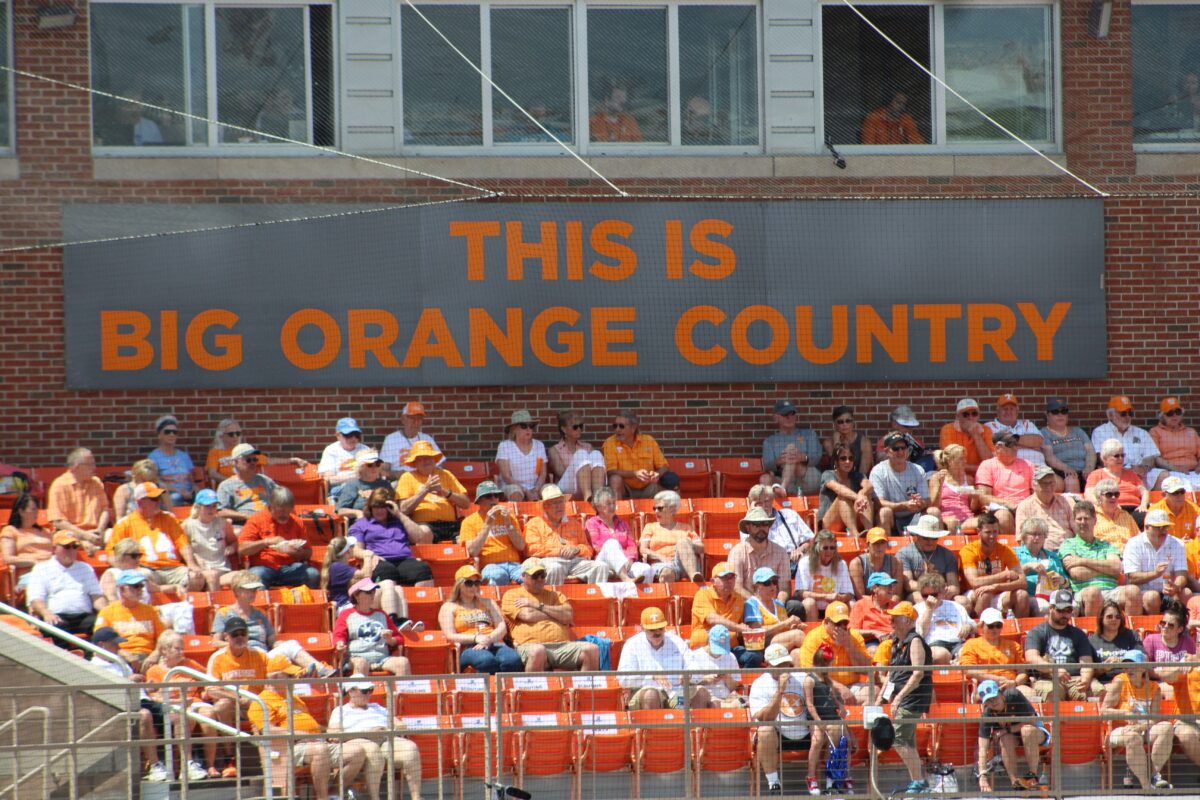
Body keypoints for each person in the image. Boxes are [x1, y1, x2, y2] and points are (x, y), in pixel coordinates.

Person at [249, 654, 354, 800]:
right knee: (320, 750)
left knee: (357, 751)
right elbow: (266, 729)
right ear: (275, 678)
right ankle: (322, 798)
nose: (294, 679)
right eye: (290, 675)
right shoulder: (260, 701)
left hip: (315, 742)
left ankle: (334, 794)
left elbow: (309, 722)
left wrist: (327, 731)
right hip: (288, 747)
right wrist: (297, 733)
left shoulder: (294, 697)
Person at [144, 630, 223, 780]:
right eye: (177, 648)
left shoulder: (190, 665)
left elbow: (209, 679)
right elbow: (153, 697)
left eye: (182, 648)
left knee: (209, 713)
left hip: (194, 702)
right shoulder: (154, 671)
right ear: (164, 650)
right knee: (183, 716)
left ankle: (210, 764)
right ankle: (186, 766)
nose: (182, 652)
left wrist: (206, 691)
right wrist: (175, 702)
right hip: (173, 707)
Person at [327, 679, 424, 800]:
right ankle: (374, 797)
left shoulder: (377, 707)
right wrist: (367, 733)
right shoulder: (340, 711)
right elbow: (333, 735)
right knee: (373, 751)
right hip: (358, 739)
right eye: (364, 691)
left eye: (370, 690)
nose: (368, 694)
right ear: (351, 691)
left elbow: (400, 725)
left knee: (410, 748)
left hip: (384, 738)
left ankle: (416, 797)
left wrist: (388, 729)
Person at [500, 557, 600, 671]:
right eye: (535, 575)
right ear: (523, 576)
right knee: (538, 651)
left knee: (592, 649)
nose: (539, 579)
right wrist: (557, 615)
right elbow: (527, 615)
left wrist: (538, 606)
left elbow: (567, 615)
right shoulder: (512, 595)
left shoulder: (555, 595)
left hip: (562, 646)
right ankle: (532, 689)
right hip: (529, 645)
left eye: (542, 575)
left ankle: (584, 689)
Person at [108, 482, 204, 591]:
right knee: (139, 578)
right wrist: (127, 570)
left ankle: (185, 605)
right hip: (145, 569)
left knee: (196, 578)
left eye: (159, 498)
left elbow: (183, 544)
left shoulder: (169, 518)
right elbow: (112, 554)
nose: (159, 501)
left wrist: (191, 564)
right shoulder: (124, 524)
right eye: (154, 499)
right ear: (140, 503)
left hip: (173, 568)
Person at [1101, 650, 1175, 790]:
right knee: (1133, 737)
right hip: (1121, 729)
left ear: (1143, 668)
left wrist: (1141, 727)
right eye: (1127, 666)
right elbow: (1104, 711)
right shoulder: (1120, 681)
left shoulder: (1154, 688)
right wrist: (1125, 714)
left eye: (1133, 665)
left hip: (1144, 728)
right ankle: (1146, 785)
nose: (1129, 669)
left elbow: (1154, 719)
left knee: (1166, 727)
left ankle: (1155, 776)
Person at [205, 615, 268, 776]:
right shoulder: (217, 658)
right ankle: (229, 758)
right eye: (235, 634)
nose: (240, 637)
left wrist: (256, 699)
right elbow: (211, 690)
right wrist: (238, 698)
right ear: (226, 637)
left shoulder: (259, 655)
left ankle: (270, 760)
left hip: (256, 704)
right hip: (233, 706)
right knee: (222, 705)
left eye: (243, 633)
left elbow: (271, 682)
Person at [881, 601, 933, 795]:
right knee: (907, 741)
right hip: (901, 698)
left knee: (899, 738)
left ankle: (919, 782)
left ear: (907, 620)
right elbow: (891, 674)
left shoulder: (915, 641)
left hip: (913, 698)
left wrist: (898, 698)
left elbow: (918, 674)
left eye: (895, 618)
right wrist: (881, 697)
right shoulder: (896, 642)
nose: (890, 620)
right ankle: (918, 783)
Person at [750, 642, 810, 795]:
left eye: (786, 663)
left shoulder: (803, 678)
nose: (784, 668)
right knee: (765, 730)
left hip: (806, 730)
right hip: (779, 734)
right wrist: (780, 690)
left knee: (831, 727)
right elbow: (764, 718)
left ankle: (831, 782)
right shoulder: (759, 684)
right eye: (779, 665)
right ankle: (773, 782)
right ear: (768, 666)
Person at [438, 565, 521, 674]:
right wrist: (476, 638)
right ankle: (487, 690)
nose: (474, 587)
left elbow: (502, 627)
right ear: (459, 585)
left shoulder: (489, 603)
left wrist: (489, 639)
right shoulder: (449, 607)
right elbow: (450, 635)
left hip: (494, 642)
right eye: (469, 583)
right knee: (486, 660)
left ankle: (505, 689)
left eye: (477, 583)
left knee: (512, 659)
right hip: (469, 646)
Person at [26, 532, 105, 643]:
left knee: (103, 626)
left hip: (83, 616)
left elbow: (96, 596)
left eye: (75, 547)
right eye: (66, 547)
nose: (71, 551)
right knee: (56, 626)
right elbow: (36, 599)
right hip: (56, 616)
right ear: (54, 549)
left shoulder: (85, 568)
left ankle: (92, 659)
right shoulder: (41, 569)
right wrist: (46, 613)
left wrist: (106, 612)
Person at [1059, 500, 1134, 616]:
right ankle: (1093, 633)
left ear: (1095, 520)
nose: (1083, 522)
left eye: (1087, 518)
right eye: (1079, 519)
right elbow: (1077, 573)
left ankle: (1130, 633)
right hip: (1083, 592)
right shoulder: (1068, 544)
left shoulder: (1106, 545)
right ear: (1074, 521)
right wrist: (1105, 569)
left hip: (1111, 590)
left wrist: (1082, 561)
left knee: (1133, 591)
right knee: (1093, 592)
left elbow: (1116, 568)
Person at [349, 487, 434, 590]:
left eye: (383, 507)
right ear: (370, 507)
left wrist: (399, 514)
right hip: (381, 561)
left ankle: (421, 604)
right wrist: (368, 554)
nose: (379, 510)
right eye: (375, 507)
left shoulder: (399, 520)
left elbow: (418, 537)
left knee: (423, 570)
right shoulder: (361, 524)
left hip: (404, 560)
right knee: (386, 572)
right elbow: (356, 549)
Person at [523, 483, 608, 584]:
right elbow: (531, 549)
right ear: (545, 506)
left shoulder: (574, 523)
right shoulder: (534, 523)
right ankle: (554, 600)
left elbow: (588, 549)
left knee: (601, 566)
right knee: (555, 568)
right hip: (549, 561)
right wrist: (559, 551)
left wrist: (577, 550)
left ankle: (595, 598)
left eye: (561, 502)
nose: (560, 506)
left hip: (575, 561)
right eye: (555, 503)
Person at [616, 606, 700, 709]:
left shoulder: (676, 641)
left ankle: (686, 724)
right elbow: (623, 679)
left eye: (660, 628)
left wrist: (689, 673)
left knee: (699, 694)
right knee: (651, 695)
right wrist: (651, 676)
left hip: (675, 691)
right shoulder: (632, 644)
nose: (657, 633)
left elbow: (695, 665)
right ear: (642, 628)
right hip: (642, 692)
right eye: (652, 630)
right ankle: (652, 725)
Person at [975, 679, 1050, 792]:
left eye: (995, 697)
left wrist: (1007, 729)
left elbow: (1032, 721)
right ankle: (1015, 782)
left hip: (1035, 731)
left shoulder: (1013, 695)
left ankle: (1032, 776)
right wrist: (982, 776)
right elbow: (982, 747)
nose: (993, 702)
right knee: (1005, 738)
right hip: (1013, 736)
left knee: (1026, 731)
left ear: (1000, 693)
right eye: (989, 701)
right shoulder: (987, 714)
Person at [1023, 589, 1099, 700]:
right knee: (1052, 692)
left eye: (1068, 610)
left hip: (1074, 678)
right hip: (1047, 678)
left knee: (1097, 690)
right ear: (1050, 609)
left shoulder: (1079, 634)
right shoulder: (1037, 632)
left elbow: (1086, 661)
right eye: (1060, 610)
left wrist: (1085, 679)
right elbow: (1031, 658)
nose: (1065, 614)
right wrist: (1054, 669)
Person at [238, 487, 318, 589]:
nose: (284, 515)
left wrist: (296, 552)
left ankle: (308, 604)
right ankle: (261, 604)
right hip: (263, 566)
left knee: (312, 574)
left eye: (287, 511)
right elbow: (242, 549)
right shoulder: (256, 520)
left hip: (290, 567)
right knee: (256, 577)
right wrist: (266, 542)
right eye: (280, 511)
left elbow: (308, 552)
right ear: (270, 507)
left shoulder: (297, 522)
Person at [801, 643, 852, 795]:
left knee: (841, 740)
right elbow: (809, 704)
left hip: (831, 716)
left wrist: (840, 706)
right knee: (816, 741)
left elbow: (833, 697)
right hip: (816, 718)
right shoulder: (809, 680)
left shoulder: (828, 680)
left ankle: (834, 777)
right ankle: (811, 777)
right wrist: (818, 721)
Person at [395, 440, 470, 542]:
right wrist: (424, 490)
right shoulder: (407, 477)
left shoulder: (446, 474)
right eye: (421, 458)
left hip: (451, 525)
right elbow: (403, 509)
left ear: (434, 459)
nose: (426, 460)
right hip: (425, 525)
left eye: (429, 457)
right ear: (415, 463)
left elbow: (466, 503)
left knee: (468, 535)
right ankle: (425, 558)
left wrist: (445, 492)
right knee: (423, 533)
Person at [333, 578, 411, 676]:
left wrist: (390, 640)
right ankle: (361, 691)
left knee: (403, 663)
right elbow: (338, 636)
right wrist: (340, 644)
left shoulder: (381, 614)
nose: (372, 595)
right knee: (361, 664)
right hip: (357, 657)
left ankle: (403, 691)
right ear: (356, 595)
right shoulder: (346, 615)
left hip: (382, 658)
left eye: (373, 592)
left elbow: (399, 639)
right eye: (368, 592)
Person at [798, 601, 872, 703]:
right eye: (838, 623)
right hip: (825, 686)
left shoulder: (854, 637)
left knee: (873, 691)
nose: (842, 627)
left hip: (852, 685)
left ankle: (862, 718)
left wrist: (849, 645)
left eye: (845, 623)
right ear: (827, 622)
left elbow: (867, 669)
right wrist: (838, 687)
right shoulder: (813, 637)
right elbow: (810, 671)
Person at [958, 511, 1030, 617]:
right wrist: (1004, 575)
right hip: (972, 592)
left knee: (1022, 595)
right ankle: (979, 629)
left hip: (997, 592)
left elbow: (1023, 582)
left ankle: (1022, 631)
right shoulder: (969, 551)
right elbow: (974, 582)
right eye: (988, 532)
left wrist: (996, 586)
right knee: (985, 594)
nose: (992, 536)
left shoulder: (1005, 550)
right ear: (979, 532)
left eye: (995, 532)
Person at [688, 562, 759, 667]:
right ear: (713, 581)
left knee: (754, 656)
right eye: (724, 578)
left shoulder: (738, 598)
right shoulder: (702, 594)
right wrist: (738, 628)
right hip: (705, 647)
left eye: (732, 577)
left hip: (729, 648)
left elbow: (743, 626)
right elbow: (712, 619)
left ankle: (738, 681)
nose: (729, 581)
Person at [1091, 395, 1165, 492]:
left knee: (1163, 475)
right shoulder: (1101, 431)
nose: (1127, 417)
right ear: (1110, 415)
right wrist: (1124, 470)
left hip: (1140, 471)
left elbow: (1150, 456)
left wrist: (1143, 468)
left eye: (1130, 413)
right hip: (1114, 470)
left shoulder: (1141, 432)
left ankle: (1153, 505)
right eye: (1123, 413)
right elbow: (1101, 458)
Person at [1123, 507, 1190, 614]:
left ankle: (1181, 628)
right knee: (1152, 596)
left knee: (1186, 593)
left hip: (1167, 592)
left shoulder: (1177, 543)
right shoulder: (1133, 544)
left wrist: (1176, 586)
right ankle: (1154, 629)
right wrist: (1155, 573)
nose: (1163, 531)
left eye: (1166, 527)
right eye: (1158, 527)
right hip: (1142, 593)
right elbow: (1132, 577)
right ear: (1146, 527)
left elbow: (1182, 573)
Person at [458, 480, 525, 585]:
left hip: (514, 565)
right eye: (489, 496)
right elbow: (472, 551)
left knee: (532, 577)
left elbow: (521, 546)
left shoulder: (509, 517)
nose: (494, 499)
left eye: (496, 495)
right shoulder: (469, 522)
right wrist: (487, 525)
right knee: (498, 574)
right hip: (490, 566)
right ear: (479, 500)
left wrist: (508, 524)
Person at [95, 570, 165, 671]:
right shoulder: (107, 612)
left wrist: (156, 654)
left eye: (141, 585)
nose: (140, 589)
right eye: (136, 586)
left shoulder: (151, 611)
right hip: (119, 659)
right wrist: (122, 653)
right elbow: (100, 643)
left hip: (148, 658)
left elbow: (163, 638)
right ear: (122, 589)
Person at [959, 608, 1033, 700]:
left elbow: (1022, 672)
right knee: (989, 695)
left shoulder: (1013, 645)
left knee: (1030, 694)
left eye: (998, 625)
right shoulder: (971, 644)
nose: (995, 629)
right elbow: (968, 670)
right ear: (982, 625)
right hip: (985, 684)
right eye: (991, 626)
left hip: (1011, 684)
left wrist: (1014, 683)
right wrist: (995, 679)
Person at [602, 408, 675, 499]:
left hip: (648, 487)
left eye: (621, 426)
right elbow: (610, 471)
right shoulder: (610, 443)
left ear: (633, 428)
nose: (617, 430)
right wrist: (635, 473)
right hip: (625, 489)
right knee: (615, 479)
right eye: (615, 426)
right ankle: (617, 512)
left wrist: (656, 474)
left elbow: (664, 466)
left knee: (672, 482)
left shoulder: (649, 441)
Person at [46, 447, 110, 548]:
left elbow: (105, 510)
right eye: (90, 464)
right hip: (72, 533)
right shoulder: (59, 485)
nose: (94, 467)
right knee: (72, 541)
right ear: (76, 467)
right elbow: (58, 521)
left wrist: (100, 530)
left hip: (97, 532)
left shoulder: (96, 482)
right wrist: (85, 535)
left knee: (114, 536)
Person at [870, 432, 931, 534]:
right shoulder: (878, 471)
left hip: (914, 516)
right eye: (896, 449)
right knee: (884, 512)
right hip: (892, 517)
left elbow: (927, 500)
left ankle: (933, 548)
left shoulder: (917, 470)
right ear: (886, 451)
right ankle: (886, 548)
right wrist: (904, 505)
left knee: (933, 512)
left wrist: (920, 502)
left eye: (903, 448)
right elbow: (878, 503)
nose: (901, 452)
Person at [586, 486, 651, 583]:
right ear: (598, 507)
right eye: (608, 503)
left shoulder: (622, 523)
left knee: (646, 569)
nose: (613, 506)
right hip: (603, 562)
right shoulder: (592, 523)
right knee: (611, 543)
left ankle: (638, 597)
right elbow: (597, 546)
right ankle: (626, 579)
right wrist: (621, 557)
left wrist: (630, 558)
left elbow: (631, 545)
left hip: (625, 561)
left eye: (613, 503)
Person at [729, 506, 793, 603]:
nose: (761, 528)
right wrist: (758, 604)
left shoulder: (781, 552)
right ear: (748, 527)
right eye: (756, 525)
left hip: (775, 603)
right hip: (747, 603)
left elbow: (784, 587)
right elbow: (737, 587)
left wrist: (779, 605)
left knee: (796, 607)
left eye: (765, 524)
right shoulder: (736, 552)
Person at [896, 515, 963, 604]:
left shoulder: (947, 555)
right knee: (919, 597)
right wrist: (933, 589)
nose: (930, 542)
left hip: (941, 593)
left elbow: (954, 586)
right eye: (926, 538)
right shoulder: (904, 553)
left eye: (934, 538)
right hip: (918, 593)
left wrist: (946, 591)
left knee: (963, 601)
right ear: (917, 536)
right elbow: (908, 584)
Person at [975, 432, 1033, 534]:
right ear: (998, 447)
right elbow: (983, 497)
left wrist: (1025, 505)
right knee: (1003, 517)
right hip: (1000, 508)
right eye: (1011, 444)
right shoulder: (987, 465)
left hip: (1026, 506)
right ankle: (1012, 548)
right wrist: (1010, 504)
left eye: (1016, 444)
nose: (1015, 448)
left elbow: (1035, 492)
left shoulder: (1028, 464)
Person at [761, 400, 822, 497]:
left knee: (791, 452)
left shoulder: (809, 434)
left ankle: (783, 488)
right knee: (764, 478)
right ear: (776, 418)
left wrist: (803, 457)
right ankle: (768, 508)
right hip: (786, 480)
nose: (789, 417)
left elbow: (817, 458)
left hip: (809, 479)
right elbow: (766, 465)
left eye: (792, 413)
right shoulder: (770, 441)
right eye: (785, 414)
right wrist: (779, 460)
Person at [640, 489, 703, 582]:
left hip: (687, 563)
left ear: (673, 509)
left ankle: (694, 577)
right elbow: (643, 549)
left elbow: (701, 547)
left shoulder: (686, 528)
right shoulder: (650, 527)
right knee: (666, 573)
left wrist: (688, 546)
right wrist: (661, 557)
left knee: (683, 541)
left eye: (660, 508)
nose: (656, 511)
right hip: (662, 563)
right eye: (655, 508)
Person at [1087, 439, 1151, 526]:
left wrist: (1143, 505)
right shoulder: (1096, 475)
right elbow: (1089, 495)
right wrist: (1107, 506)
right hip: (1111, 510)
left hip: (1135, 509)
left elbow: (1144, 492)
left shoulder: (1131, 474)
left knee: (1148, 519)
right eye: (1116, 456)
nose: (1121, 458)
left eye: (1122, 455)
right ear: (1105, 459)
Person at [792, 529, 853, 620]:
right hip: (813, 607)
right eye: (825, 548)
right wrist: (826, 596)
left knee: (852, 604)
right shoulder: (805, 562)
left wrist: (840, 597)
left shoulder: (841, 564)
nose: (829, 551)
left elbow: (849, 593)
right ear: (817, 548)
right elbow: (801, 593)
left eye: (832, 548)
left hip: (834, 607)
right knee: (809, 603)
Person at [914, 572, 973, 664]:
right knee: (942, 655)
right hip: (934, 644)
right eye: (925, 595)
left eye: (934, 595)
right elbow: (921, 632)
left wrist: (969, 626)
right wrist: (929, 610)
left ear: (942, 592)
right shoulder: (917, 609)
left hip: (957, 642)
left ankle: (957, 663)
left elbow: (974, 626)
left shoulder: (956, 606)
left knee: (968, 653)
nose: (929, 598)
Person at [744, 567, 807, 654]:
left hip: (781, 643)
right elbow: (756, 632)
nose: (772, 586)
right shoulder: (752, 603)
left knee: (797, 653)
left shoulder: (779, 604)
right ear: (756, 586)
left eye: (774, 582)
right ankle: (821, 664)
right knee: (798, 635)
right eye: (767, 583)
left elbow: (785, 628)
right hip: (762, 645)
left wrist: (793, 627)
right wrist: (785, 623)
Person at [183, 488, 236, 590]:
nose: (211, 509)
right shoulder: (188, 525)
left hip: (223, 569)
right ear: (198, 507)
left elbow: (233, 541)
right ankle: (216, 604)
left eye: (214, 506)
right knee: (212, 576)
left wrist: (232, 547)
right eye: (207, 506)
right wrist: (194, 559)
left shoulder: (223, 523)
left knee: (245, 577)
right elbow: (183, 547)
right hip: (202, 570)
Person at [1040, 397, 1096, 493]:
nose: (1060, 415)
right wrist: (1066, 468)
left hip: (1085, 471)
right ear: (1047, 415)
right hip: (1062, 472)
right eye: (1055, 412)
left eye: (1064, 411)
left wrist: (1089, 467)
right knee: (1072, 480)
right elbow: (1049, 457)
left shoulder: (1078, 431)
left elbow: (1090, 451)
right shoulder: (1044, 433)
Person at [548, 410, 607, 501]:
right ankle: (588, 496)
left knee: (596, 453)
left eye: (581, 426)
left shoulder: (588, 446)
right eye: (575, 427)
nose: (579, 429)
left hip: (588, 483)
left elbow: (597, 470)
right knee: (581, 454)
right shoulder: (554, 450)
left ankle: (597, 497)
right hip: (566, 487)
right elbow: (561, 473)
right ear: (564, 429)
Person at [1013, 517, 1068, 614]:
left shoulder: (1053, 556)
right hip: (1028, 595)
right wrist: (1027, 567)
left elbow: (1066, 583)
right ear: (1024, 536)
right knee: (1044, 607)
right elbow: (1009, 577)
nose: (1037, 538)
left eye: (1040, 534)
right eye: (1033, 534)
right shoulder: (1015, 553)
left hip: (1052, 595)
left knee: (1072, 606)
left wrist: (1062, 580)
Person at [1015, 464, 1076, 551]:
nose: (1048, 487)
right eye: (1044, 483)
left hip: (1068, 551)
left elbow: (1079, 531)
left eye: (1051, 483)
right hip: (1040, 554)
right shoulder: (1024, 506)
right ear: (1034, 485)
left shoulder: (1067, 502)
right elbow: (1022, 539)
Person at [817, 445, 874, 537]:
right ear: (836, 461)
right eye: (843, 458)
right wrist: (858, 497)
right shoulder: (827, 474)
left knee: (866, 495)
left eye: (850, 458)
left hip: (852, 517)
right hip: (830, 524)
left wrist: (862, 493)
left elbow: (869, 486)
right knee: (843, 498)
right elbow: (838, 488)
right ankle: (855, 536)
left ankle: (871, 534)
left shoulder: (857, 475)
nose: (848, 462)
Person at [216, 443, 279, 524]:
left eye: (255, 460)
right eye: (248, 460)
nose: (253, 463)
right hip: (245, 524)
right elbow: (220, 512)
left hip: (269, 521)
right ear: (235, 462)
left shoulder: (265, 480)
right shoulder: (226, 486)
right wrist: (245, 516)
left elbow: (282, 497)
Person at [496, 409, 549, 501]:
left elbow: (542, 473)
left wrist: (536, 490)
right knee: (516, 493)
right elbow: (506, 476)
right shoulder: (505, 446)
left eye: (531, 426)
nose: (528, 429)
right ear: (514, 429)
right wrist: (526, 491)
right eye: (524, 426)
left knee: (552, 491)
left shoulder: (539, 445)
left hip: (535, 486)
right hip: (512, 486)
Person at [1089, 599, 1144, 687]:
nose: (1114, 619)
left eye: (1117, 617)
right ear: (1101, 618)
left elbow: (1143, 658)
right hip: (1103, 684)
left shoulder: (1131, 635)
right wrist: (1103, 669)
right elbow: (1087, 673)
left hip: (1129, 682)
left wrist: (1123, 661)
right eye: (1109, 617)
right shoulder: (1091, 641)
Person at [380, 401, 443, 478]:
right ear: (403, 419)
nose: (416, 422)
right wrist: (398, 474)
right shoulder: (391, 439)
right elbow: (383, 471)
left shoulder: (427, 439)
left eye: (419, 419)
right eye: (412, 418)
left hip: (424, 479)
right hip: (400, 481)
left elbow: (440, 465)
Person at [687, 624, 742, 708]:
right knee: (713, 703)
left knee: (741, 701)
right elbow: (687, 683)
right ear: (709, 641)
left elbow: (734, 687)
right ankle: (727, 706)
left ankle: (727, 706)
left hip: (726, 696)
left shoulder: (731, 656)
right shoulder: (695, 656)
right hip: (706, 698)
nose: (719, 653)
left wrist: (727, 677)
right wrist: (705, 679)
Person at [928, 444, 979, 535]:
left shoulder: (969, 479)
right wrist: (940, 485)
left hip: (967, 518)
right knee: (953, 523)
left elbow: (973, 508)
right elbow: (934, 505)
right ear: (950, 461)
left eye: (965, 458)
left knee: (984, 523)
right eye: (961, 459)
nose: (965, 462)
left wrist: (975, 498)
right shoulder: (937, 477)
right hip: (946, 517)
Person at [1151, 396, 1200, 489]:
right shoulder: (1155, 432)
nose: (1174, 416)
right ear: (1162, 416)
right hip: (1170, 473)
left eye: (1177, 412)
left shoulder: (1191, 431)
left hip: (1194, 472)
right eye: (1170, 413)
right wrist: (1177, 469)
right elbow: (1155, 458)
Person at [1, 492, 53, 579]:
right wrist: (34, 561)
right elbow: (8, 558)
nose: (37, 513)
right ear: (21, 511)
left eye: (37, 509)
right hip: (31, 574)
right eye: (33, 509)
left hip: (52, 570)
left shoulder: (45, 531)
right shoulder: (10, 531)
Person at [938, 399, 994, 479]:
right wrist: (981, 469)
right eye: (965, 414)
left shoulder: (986, 430)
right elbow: (950, 462)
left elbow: (989, 460)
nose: (970, 418)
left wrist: (976, 435)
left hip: (982, 476)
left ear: (978, 416)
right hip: (955, 475)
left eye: (974, 414)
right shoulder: (947, 429)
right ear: (957, 416)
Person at [317, 417, 372, 499]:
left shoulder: (365, 450)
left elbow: (372, 473)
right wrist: (355, 477)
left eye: (356, 435)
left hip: (364, 486)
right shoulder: (331, 450)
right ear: (338, 435)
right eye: (348, 435)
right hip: (340, 488)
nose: (353, 438)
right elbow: (329, 479)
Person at [985, 393, 1045, 466]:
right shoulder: (989, 427)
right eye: (1005, 409)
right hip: (1010, 469)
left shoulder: (1026, 424)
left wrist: (1009, 440)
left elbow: (1038, 441)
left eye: (1011, 409)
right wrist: (1029, 445)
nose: (1008, 412)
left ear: (1017, 411)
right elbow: (995, 450)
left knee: (1056, 477)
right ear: (998, 411)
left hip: (1039, 467)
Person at [147, 415, 195, 504]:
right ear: (159, 435)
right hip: (169, 494)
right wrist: (178, 491)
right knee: (176, 498)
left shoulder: (184, 456)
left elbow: (191, 479)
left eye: (174, 432)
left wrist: (194, 491)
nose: (171, 435)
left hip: (188, 493)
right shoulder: (153, 457)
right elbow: (155, 481)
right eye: (167, 432)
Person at [334, 449, 393, 520]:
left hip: (385, 524)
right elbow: (340, 510)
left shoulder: (385, 484)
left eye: (377, 464)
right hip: (362, 524)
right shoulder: (352, 485)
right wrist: (357, 513)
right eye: (370, 465)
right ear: (360, 467)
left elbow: (394, 506)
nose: (374, 467)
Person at [849, 528, 904, 600]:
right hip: (866, 603)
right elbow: (860, 597)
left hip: (888, 602)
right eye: (875, 543)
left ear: (887, 545)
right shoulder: (857, 564)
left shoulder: (896, 563)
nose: (879, 547)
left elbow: (896, 594)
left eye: (882, 542)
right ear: (868, 545)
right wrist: (878, 605)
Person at [877, 405, 935, 473]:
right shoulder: (884, 442)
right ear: (894, 424)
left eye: (911, 426)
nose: (909, 429)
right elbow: (881, 462)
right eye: (906, 426)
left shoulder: (918, 441)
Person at [849, 572, 898, 651]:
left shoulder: (897, 606)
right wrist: (874, 633)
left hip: (894, 642)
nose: (891, 589)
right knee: (874, 650)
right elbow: (851, 631)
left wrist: (895, 633)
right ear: (875, 588)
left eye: (892, 585)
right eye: (887, 586)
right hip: (871, 643)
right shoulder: (860, 605)